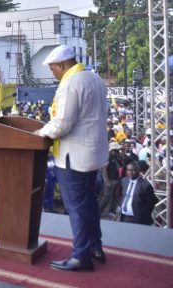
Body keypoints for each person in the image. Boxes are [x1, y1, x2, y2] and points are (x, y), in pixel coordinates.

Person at [35, 45, 108, 272]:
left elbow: (62, 124)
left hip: (73, 157)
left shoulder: (71, 83)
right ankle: (95, 247)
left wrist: (40, 133)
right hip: (91, 153)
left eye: (53, 69)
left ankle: (80, 256)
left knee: (76, 207)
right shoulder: (93, 77)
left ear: (61, 64)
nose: (53, 73)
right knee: (89, 203)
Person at [119, 161, 157, 225]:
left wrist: (144, 214)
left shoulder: (145, 185)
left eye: (133, 170)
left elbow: (151, 202)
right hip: (124, 217)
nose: (130, 172)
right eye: (128, 170)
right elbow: (123, 195)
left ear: (138, 171)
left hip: (138, 219)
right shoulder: (124, 181)